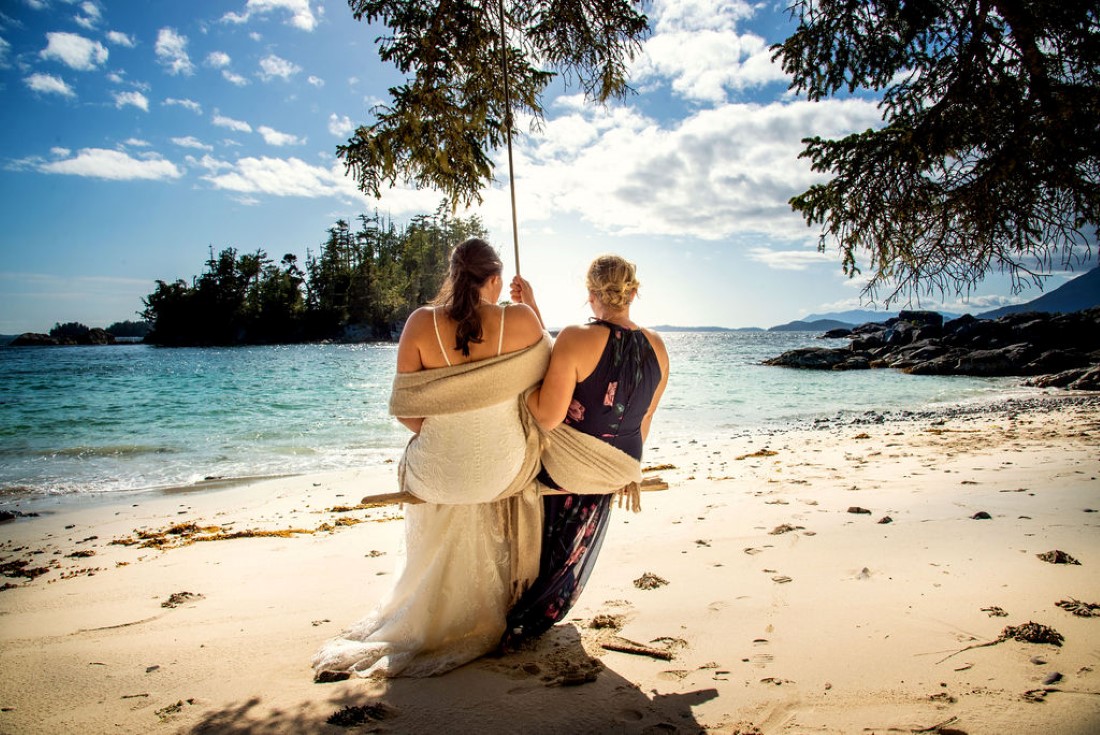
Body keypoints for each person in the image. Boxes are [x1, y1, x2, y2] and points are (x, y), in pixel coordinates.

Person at [312, 238, 547, 680]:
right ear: (495, 279)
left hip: (438, 473)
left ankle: (429, 602)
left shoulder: (421, 322)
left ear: (453, 275)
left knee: (431, 465)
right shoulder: (520, 319)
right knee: (523, 452)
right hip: (501, 473)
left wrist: (446, 434)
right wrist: (531, 304)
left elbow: (405, 410)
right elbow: (547, 377)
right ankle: (494, 603)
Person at [503, 254, 669, 646]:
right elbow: (643, 421)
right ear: (634, 291)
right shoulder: (658, 345)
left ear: (590, 293)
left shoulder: (576, 337)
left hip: (576, 469)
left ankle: (516, 583)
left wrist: (520, 390)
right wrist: (532, 310)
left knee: (521, 435)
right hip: (623, 466)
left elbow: (546, 416)